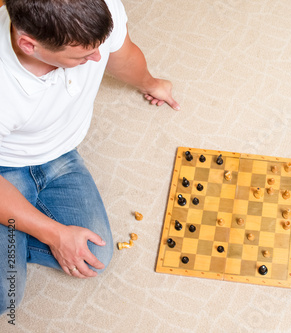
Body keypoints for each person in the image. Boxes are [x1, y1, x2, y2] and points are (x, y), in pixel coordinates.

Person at [0, 0, 179, 315]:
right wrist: (54, 234)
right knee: (5, 298)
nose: (97, 57)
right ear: (29, 45)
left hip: (60, 154)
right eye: (82, 55)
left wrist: (151, 83)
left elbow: (120, 54)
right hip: (5, 168)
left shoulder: (99, 7)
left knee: (94, 254)